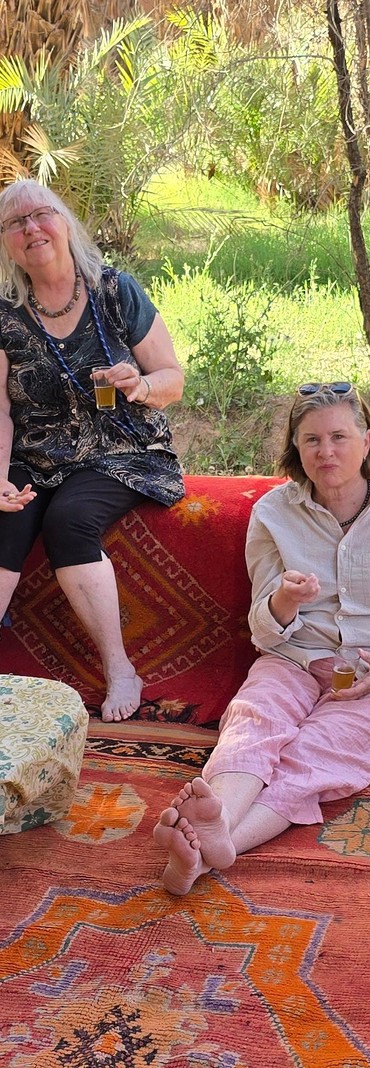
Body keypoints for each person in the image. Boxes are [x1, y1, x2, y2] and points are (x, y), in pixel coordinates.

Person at [153, 383, 370, 896]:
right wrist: (285, 601)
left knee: (316, 752)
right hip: (295, 657)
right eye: (312, 440)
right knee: (254, 721)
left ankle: (209, 851)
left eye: (339, 437)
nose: (326, 452)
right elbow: (263, 627)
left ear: (367, 441)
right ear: (296, 449)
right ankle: (214, 836)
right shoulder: (273, 513)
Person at [0, 179, 185, 722]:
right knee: (5, 518)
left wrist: (139, 384)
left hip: (122, 449)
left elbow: (172, 379)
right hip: (38, 455)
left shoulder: (115, 290)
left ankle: (120, 668)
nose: (31, 229)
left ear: (64, 223)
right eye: (15, 223)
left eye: (41, 215)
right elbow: (0, 411)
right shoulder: (4, 314)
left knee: (69, 519)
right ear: (6, 242)